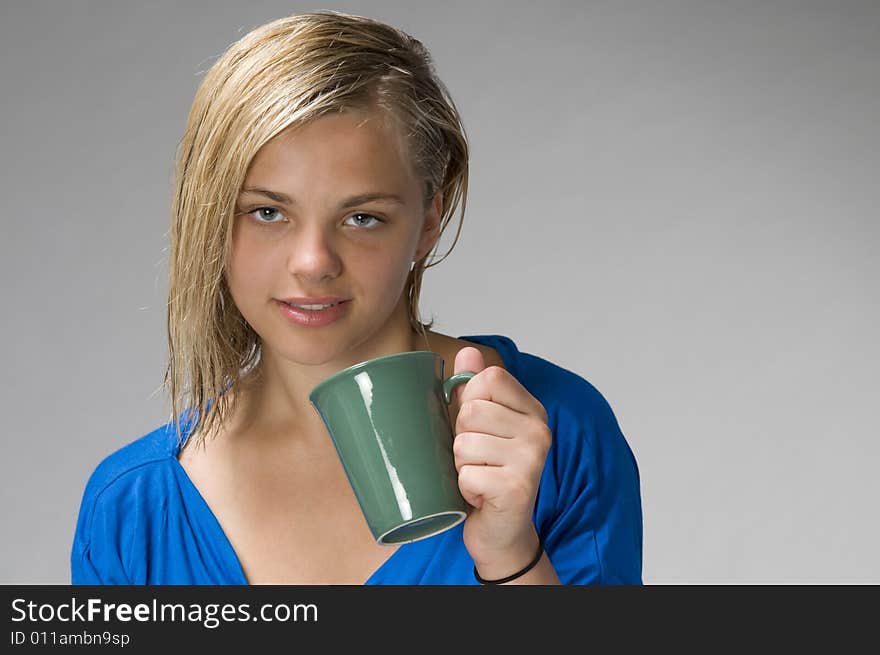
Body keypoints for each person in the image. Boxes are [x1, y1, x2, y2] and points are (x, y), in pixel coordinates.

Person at [71, 10, 643, 585]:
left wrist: (511, 556)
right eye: (268, 212)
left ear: (427, 224)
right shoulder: (131, 511)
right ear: (210, 219)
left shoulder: (559, 432)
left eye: (362, 217)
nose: (314, 262)